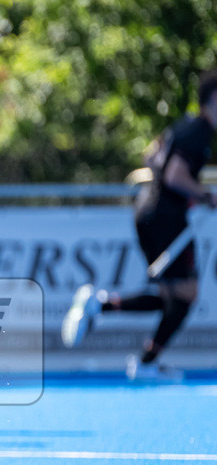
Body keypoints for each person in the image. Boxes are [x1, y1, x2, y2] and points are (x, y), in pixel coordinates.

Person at [63, 73, 217, 380]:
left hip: (148, 211)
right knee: (185, 294)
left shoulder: (184, 125)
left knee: (175, 295)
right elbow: (174, 176)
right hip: (165, 218)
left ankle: (104, 310)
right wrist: (204, 195)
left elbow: (151, 155)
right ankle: (143, 360)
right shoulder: (200, 130)